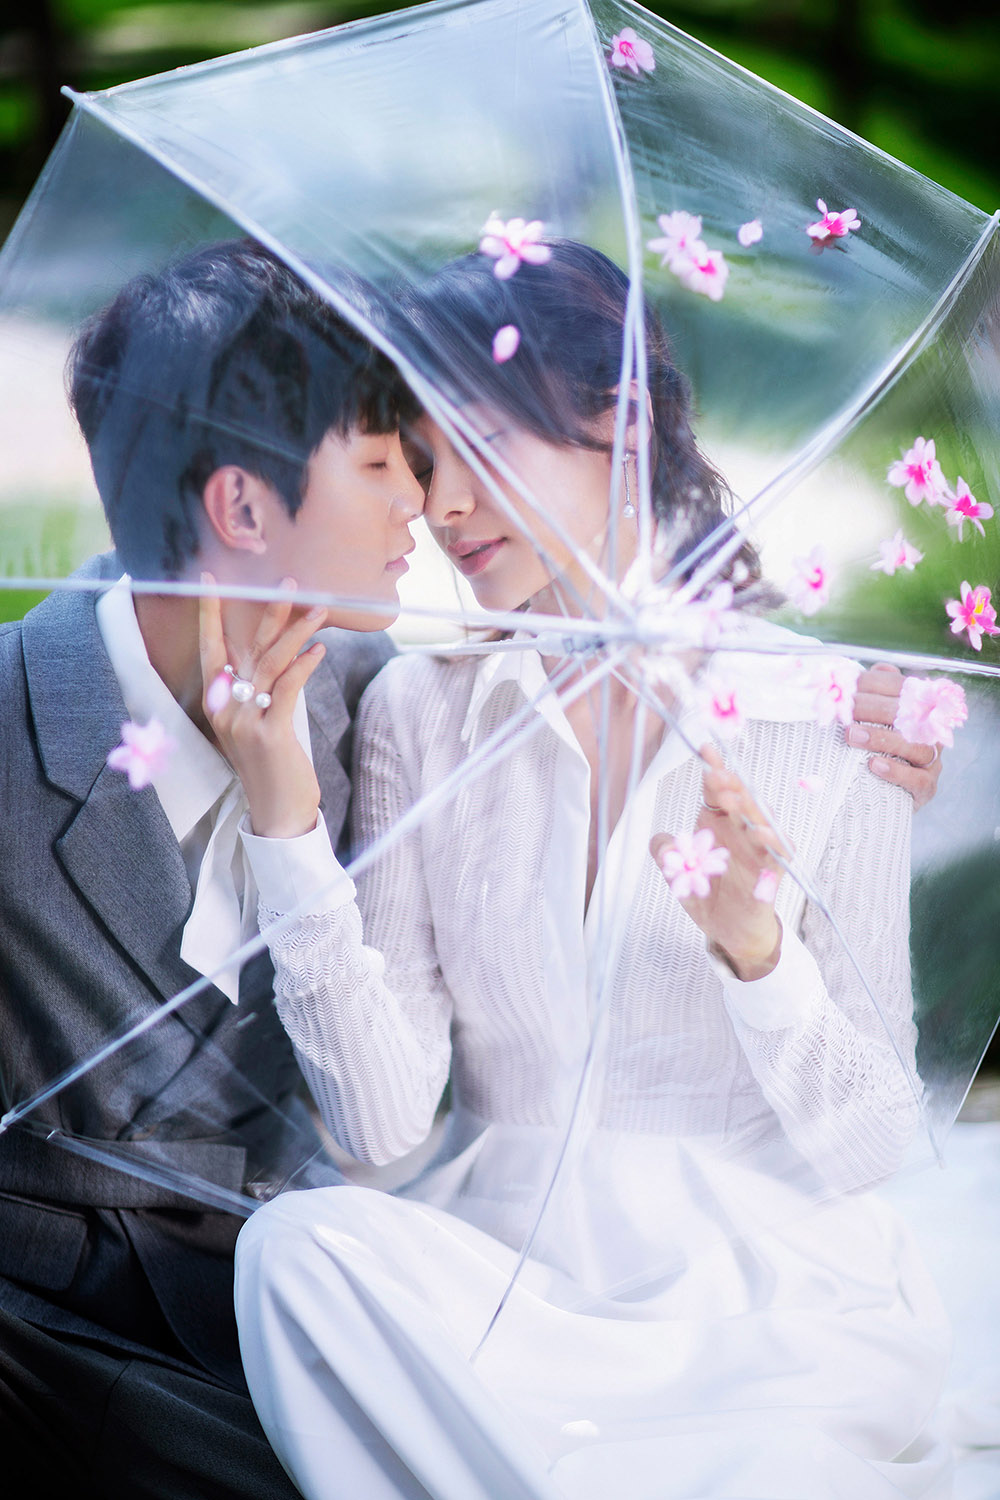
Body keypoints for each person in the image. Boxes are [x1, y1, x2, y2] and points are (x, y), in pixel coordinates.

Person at [229, 240, 953, 1500]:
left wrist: (758, 955)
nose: (442, 508)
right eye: (422, 461)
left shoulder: (829, 718)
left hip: (759, 1302)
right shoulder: (421, 712)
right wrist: (285, 824)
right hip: (509, 1294)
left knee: (764, 1453)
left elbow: (871, 1142)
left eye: (480, 448)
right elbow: (382, 1132)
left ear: (621, 425)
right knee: (293, 1252)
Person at [0, 237, 424, 1500]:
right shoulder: (14, 718)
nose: (419, 502)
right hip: (47, 1335)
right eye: (380, 464)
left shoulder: (386, 711)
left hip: (296, 1299)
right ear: (241, 508)